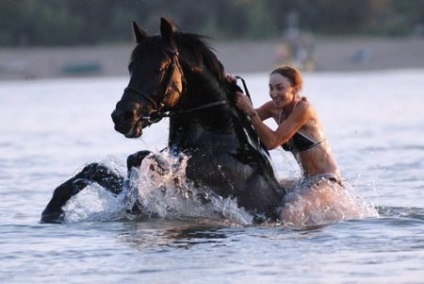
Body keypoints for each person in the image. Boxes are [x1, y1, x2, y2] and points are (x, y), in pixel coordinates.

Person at [232, 66, 352, 226]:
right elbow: (242, 119)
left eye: (280, 88)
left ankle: (292, 248)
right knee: (260, 191)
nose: (274, 93)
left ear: (295, 89)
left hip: (327, 181)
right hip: (305, 181)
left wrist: (251, 112)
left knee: (290, 211)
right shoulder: (272, 108)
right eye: (271, 88)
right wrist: (230, 86)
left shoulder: (304, 109)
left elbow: (273, 141)